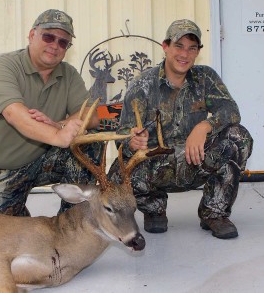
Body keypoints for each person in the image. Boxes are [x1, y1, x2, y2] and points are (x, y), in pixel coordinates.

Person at [108, 19, 253, 239]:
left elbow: (230, 110)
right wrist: (132, 141)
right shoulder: (142, 85)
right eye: (179, 46)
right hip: (157, 167)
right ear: (165, 46)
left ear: (197, 53)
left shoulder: (206, 78)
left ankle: (214, 212)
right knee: (118, 174)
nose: (184, 54)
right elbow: (123, 135)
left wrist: (204, 126)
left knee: (239, 136)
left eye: (191, 48)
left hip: (196, 159)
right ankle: (154, 208)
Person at [0, 9, 102, 216]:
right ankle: (16, 209)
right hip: (2, 168)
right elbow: (15, 115)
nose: (55, 45)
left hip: (44, 159)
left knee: (89, 140)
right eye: (48, 36)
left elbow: (91, 115)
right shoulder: (2, 66)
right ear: (32, 35)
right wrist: (59, 135)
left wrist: (59, 125)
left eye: (63, 42)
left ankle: (72, 222)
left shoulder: (69, 74)